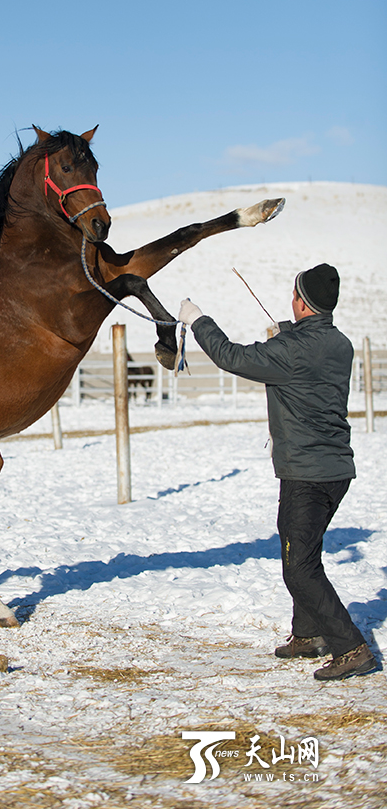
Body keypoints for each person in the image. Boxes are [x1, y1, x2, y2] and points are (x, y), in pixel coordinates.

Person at [178, 263, 376, 682]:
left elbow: (231, 356)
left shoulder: (291, 351)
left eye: (294, 294)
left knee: (298, 566)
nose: (291, 300)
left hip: (306, 473)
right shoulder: (339, 344)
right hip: (335, 468)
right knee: (306, 551)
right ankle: (308, 636)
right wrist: (290, 331)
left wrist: (198, 321)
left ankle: (351, 647)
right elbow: (307, 356)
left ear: (302, 303)